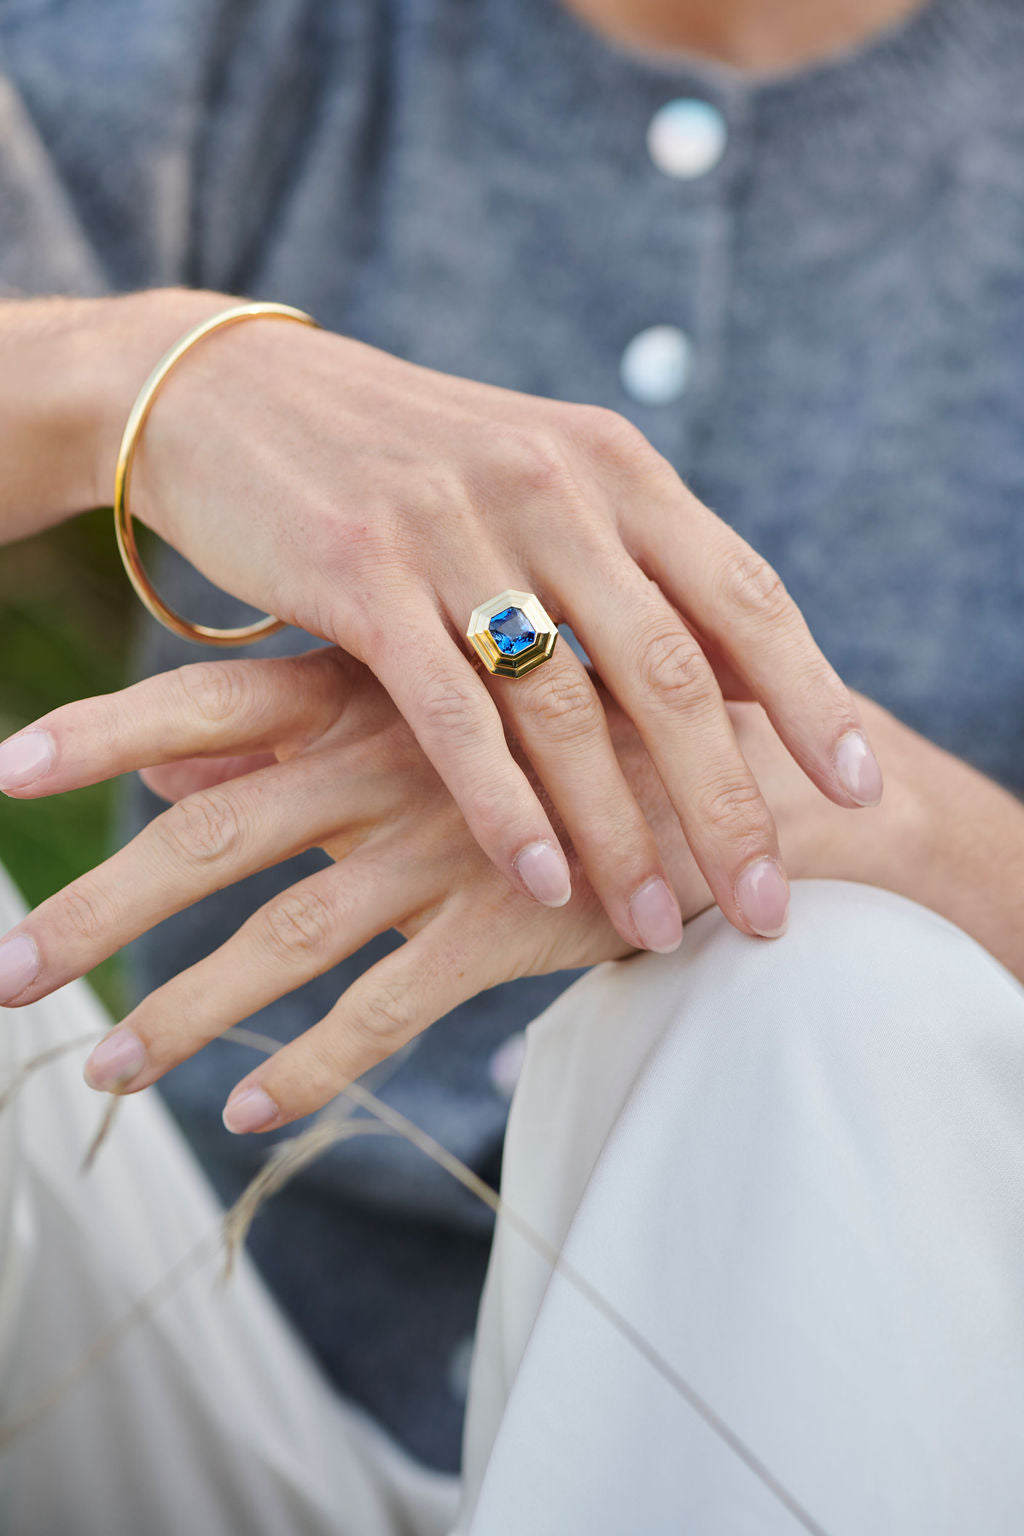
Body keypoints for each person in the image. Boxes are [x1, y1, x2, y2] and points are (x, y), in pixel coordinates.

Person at [0, 0, 1021, 1497]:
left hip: (903, 1408)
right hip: (210, 1378)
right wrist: (144, 380)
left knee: (834, 986)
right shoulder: (235, 37)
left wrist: (870, 821)